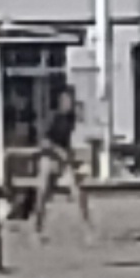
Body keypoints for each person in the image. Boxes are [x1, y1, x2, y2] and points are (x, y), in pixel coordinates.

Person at [30, 88, 91, 233]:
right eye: (65, 100)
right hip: (48, 157)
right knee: (43, 188)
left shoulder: (70, 119)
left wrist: (69, 154)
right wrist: (58, 151)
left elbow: (68, 139)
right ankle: (38, 222)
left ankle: (86, 222)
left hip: (62, 160)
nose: (68, 104)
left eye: (70, 100)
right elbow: (44, 141)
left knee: (77, 189)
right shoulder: (52, 118)